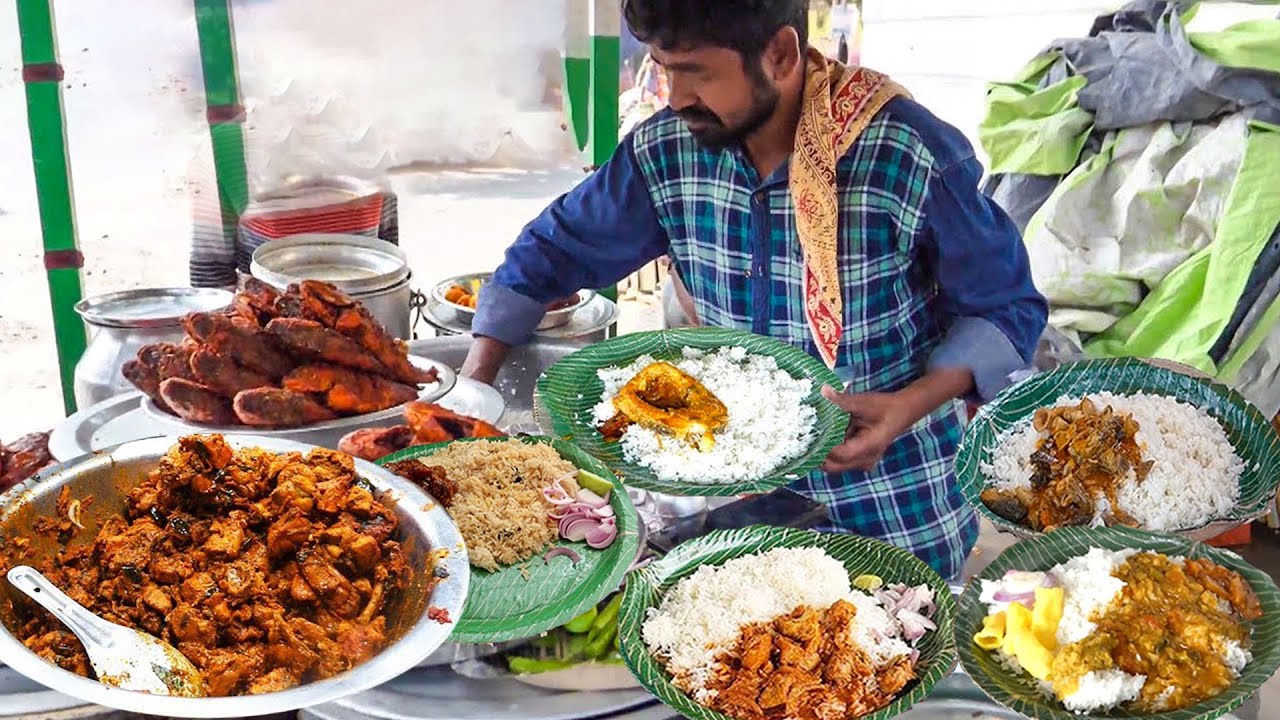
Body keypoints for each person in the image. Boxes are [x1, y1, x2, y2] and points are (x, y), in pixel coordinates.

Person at [461, 0, 1047, 580]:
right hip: (734, 493)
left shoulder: (906, 154)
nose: (676, 97)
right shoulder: (666, 152)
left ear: (781, 54)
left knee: (905, 628)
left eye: (696, 73)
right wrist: (473, 393)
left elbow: (1003, 305)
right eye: (665, 70)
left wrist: (907, 406)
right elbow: (550, 253)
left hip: (891, 497)